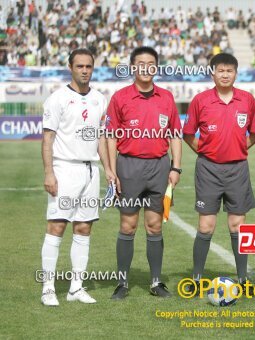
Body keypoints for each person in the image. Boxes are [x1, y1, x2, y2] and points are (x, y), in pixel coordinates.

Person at [106, 46, 182, 299]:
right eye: (141, 63)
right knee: (128, 226)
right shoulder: (120, 97)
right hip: (129, 167)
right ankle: (123, 283)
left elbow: (175, 135)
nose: (146, 68)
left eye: (151, 63)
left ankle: (156, 282)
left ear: (156, 67)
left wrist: (176, 167)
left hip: (159, 167)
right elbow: (110, 136)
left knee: (154, 225)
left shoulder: (167, 98)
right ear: (132, 67)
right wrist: (112, 170)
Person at [41, 48, 114, 306]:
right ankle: (48, 288)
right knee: (57, 226)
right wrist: (49, 172)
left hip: (90, 170)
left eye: (88, 67)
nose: (84, 70)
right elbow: (47, 139)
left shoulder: (100, 99)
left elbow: (102, 138)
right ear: (70, 67)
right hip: (64, 169)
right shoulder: (57, 99)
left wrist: (107, 168)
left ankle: (76, 288)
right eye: (80, 66)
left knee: (84, 228)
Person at [182, 53, 255, 294]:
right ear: (212, 73)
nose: (225, 74)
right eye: (220, 70)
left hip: (238, 169)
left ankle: (242, 278)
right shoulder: (200, 100)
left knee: (238, 225)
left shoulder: (247, 100)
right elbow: (188, 134)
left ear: (236, 74)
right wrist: (204, 151)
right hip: (208, 169)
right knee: (206, 225)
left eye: (230, 71)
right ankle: (196, 278)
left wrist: (240, 148)